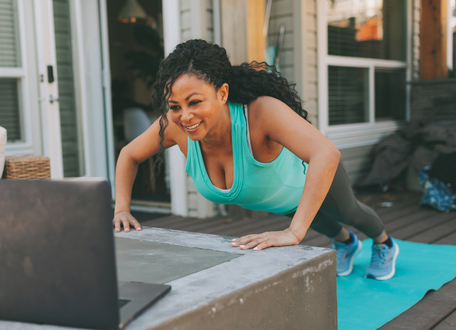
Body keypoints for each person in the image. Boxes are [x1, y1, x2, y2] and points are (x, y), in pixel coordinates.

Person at [112, 39, 400, 280]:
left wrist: (294, 233)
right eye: (175, 106)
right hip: (280, 198)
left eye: (195, 102)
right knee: (323, 225)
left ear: (222, 93)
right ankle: (345, 243)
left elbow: (327, 153)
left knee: (348, 213)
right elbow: (129, 154)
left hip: (313, 178)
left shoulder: (260, 114)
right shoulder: (175, 127)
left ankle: (385, 243)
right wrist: (121, 209)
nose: (185, 116)